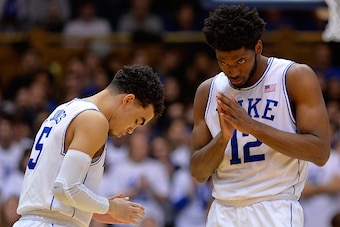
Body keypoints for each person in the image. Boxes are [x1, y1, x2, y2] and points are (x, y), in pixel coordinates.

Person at [189, 4, 330, 227]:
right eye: (223, 62)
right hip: (222, 211)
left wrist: (252, 126)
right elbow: (198, 173)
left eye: (240, 61)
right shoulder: (207, 91)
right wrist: (223, 138)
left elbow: (320, 152)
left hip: (275, 207)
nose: (232, 71)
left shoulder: (293, 77)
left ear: (258, 47)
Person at [13, 64, 165, 227]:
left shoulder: (64, 109)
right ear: (128, 100)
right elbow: (64, 187)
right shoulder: (94, 120)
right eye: (136, 121)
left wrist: (94, 210)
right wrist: (110, 207)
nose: (130, 130)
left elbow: (54, 187)